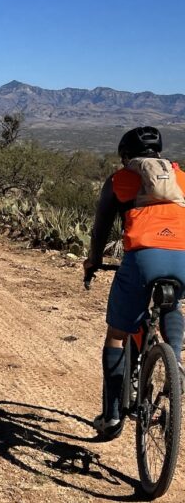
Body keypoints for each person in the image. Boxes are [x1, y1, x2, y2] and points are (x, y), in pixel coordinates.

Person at [83, 126, 185, 440]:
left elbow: (101, 228)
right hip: (183, 258)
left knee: (116, 334)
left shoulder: (119, 180)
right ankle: (175, 367)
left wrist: (94, 261)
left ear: (126, 156)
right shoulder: (181, 178)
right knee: (172, 304)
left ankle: (112, 415)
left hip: (143, 259)